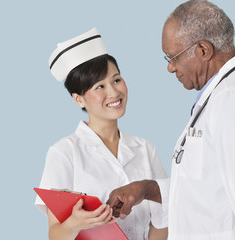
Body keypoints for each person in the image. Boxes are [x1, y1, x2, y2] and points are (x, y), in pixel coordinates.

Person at [107, 0, 235, 239]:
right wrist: (147, 189)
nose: (170, 68)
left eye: (173, 57)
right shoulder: (224, 93)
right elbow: (207, 189)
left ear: (203, 50)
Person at [35, 28, 168, 240]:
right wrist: (74, 224)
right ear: (78, 99)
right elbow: (55, 235)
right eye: (100, 86)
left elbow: (163, 219)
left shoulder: (145, 149)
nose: (114, 92)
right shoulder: (64, 152)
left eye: (116, 80)